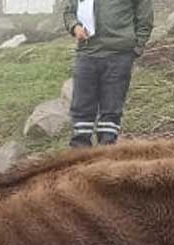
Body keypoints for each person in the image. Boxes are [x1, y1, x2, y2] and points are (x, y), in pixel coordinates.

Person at [62, 0, 154, 147]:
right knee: (81, 105)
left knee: (111, 107)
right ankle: (80, 149)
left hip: (119, 54)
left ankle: (107, 148)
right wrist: (75, 26)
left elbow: (145, 16)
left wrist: (137, 47)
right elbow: (69, 11)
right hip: (87, 53)